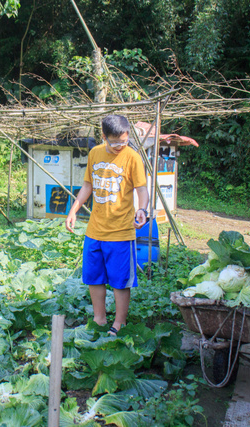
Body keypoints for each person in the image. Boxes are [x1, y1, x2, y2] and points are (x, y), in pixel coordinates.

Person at [65, 115, 149, 335]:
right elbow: (87, 185)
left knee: (120, 282)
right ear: (104, 137)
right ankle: (99, 319)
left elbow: (142, 189)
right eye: (115, 142)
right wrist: (74, 210)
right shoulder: (95, 154)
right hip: (95, 230)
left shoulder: (132, 158)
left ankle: (118, 324)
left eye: (124, 140)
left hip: (121, 232)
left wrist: (142, 209)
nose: (120, 146)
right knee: (94, 277)